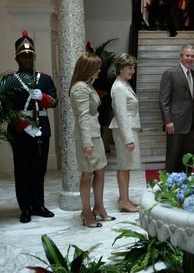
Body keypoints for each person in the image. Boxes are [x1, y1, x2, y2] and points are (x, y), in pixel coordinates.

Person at [5, 30, 57, 223]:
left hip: (42, 128)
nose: (27, 59)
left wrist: (43, 97)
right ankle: (25, 207)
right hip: (20, 131)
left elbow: (54, 101)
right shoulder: (9, 81)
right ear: (17, 59)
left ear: (34, 57)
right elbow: (7, 108)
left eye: (30, 55)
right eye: (23, 56)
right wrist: (24, 126)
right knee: (22, 169)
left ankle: (38, 204)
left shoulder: (44, 79)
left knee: (39, 169)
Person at [69, 45, 115, 228]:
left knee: (101, 170)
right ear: (89, 69)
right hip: (87, 137)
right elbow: (82, 117)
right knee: (87, 175)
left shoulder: (87, 85)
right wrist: (87, 142)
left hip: (95, 135)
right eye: (97, 67)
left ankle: (99, 207)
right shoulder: (79, 88)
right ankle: (86, 212)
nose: (99, 70)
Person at [159, 45, 194, 172]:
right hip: (175, 123)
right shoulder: (170, 73)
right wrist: (167, 121)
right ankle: (171, 185)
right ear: (181, 56)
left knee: (188, 157)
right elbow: (164, 100)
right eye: (187, 55)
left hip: (191, 123)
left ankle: (186, 183)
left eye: (193, 56)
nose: (190, 58)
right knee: (173, 156)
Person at [109, 53, 141, 212]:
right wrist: (128, 139)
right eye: (130, 67)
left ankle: (125, 198)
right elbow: (121, 114)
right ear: (121, 69)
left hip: (127, 128)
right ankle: (123, 200)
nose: (133, 70)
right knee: (123, 166)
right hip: (124, 130)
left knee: (125, 166)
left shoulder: (123, 83)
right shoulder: (119, 87)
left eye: (133, 67)